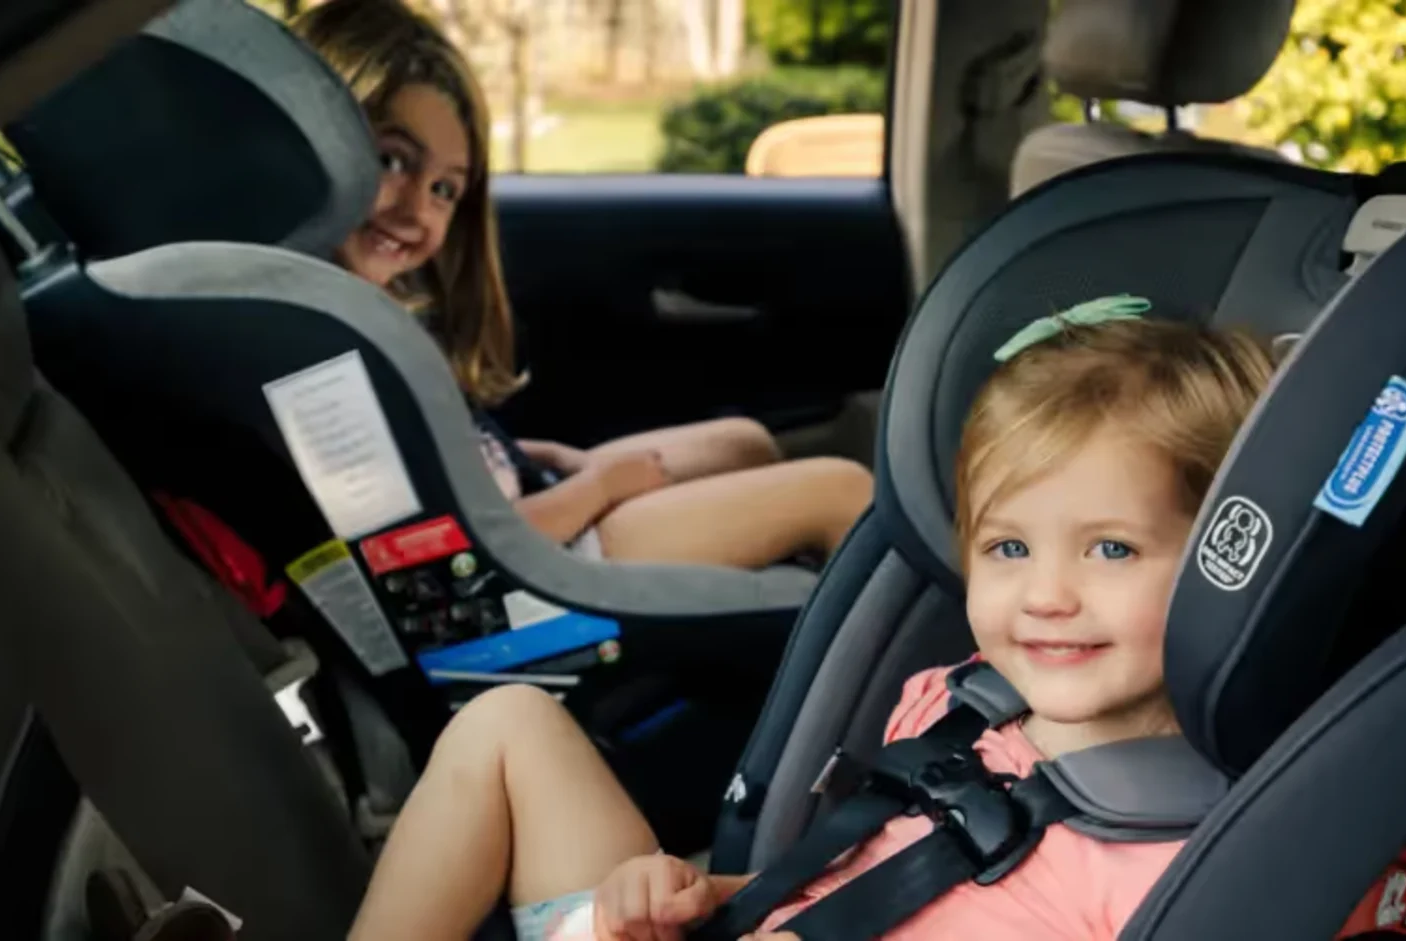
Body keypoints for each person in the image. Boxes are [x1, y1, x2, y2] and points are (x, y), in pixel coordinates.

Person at [343, 299, 1279, 941]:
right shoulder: (956, 705)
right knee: (507, 722)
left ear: (1227, 561)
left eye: (1110, 548)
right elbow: (850, 886)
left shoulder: (1185, 861)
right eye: (1008, 547)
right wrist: (692, 895)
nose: (1046, 595)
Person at [290, 0, 872, 568]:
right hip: (527, 572)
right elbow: (439, 551)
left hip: (525, 512)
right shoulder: (312, 354)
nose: (418, 210)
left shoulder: (360, 312)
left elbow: (434, 462)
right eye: (392, 161)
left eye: (445, 189)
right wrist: (598, 488)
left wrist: (534, 458)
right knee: (840, 491)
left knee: (745, 443)